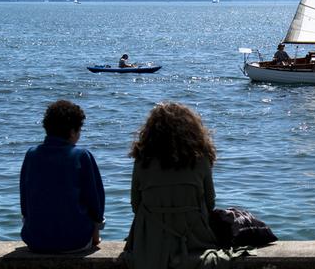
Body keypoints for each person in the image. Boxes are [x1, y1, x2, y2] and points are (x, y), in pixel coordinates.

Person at [124, 102, 232, 269]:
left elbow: (136, 205)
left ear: (151, 132)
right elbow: (210, 203)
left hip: (151, 242)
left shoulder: (142, 160)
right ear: (192, 130)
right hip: (194, 238)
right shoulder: (201, 159)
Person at [20, 100, 105, 253]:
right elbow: (96, 203)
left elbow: (25, 202)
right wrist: (96, 232)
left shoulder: (31, 155)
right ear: (72, 132)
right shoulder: (81, 156)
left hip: (36, 241)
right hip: (74, 241)